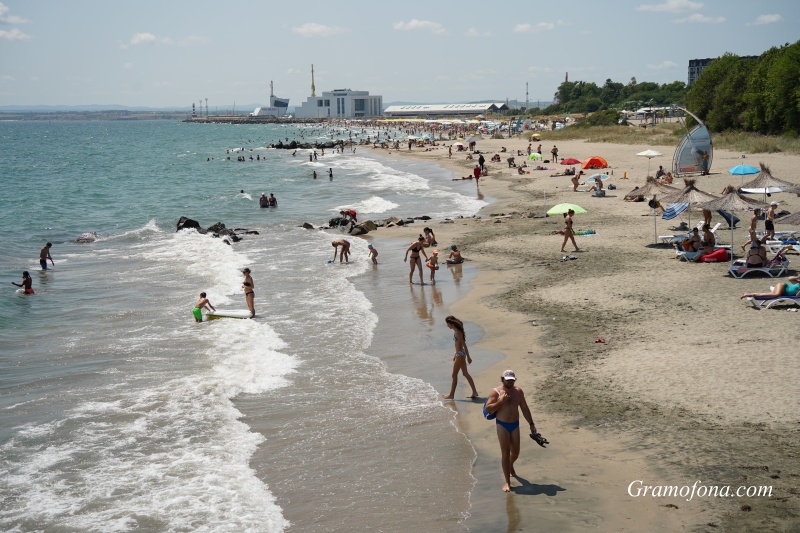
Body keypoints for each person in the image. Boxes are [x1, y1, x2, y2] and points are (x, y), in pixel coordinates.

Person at [483, 369, 538, 492]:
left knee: (516, 452)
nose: (510, 383)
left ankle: (510, 465)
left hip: (514, 424)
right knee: (505, 452)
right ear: (502, 379)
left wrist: (531, 424)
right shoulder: (496, 392)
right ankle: (507, 482)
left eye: (512, 380)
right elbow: (489, 409)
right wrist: (501, 401)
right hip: (502, 425)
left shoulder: (518, 391)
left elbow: (524, 408)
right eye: (507, 380)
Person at [441, 315, 479, 400]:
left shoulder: (457, 332)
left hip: (460, 354)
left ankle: (451, 394)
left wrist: (469, 357)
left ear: (452, 324)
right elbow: (458, 345)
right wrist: (455, 355)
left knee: (454, 375)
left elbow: (464, 344)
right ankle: (474, 392)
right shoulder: (457, 331)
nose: (447, 326)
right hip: (459, 354)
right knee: (465, 373)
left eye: (448, 324)